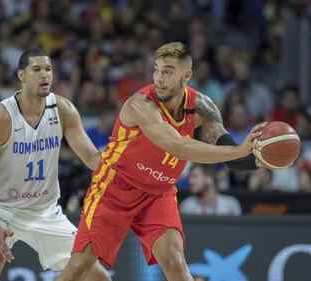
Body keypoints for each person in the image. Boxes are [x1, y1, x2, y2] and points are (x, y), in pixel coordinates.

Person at [56, 42, 266, 281]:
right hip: (115, 187)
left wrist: (259, 155)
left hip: (158, 193)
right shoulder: (141, 104)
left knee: (177, 264)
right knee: (79, 268)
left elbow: (229, 152)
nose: (159, 78)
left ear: (186, 75)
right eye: (156, 70)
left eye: (167, 71)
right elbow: (178, 146)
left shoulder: (203, 107)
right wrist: (238, 151)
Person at [0, 49, 110, 281]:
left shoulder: (63, 110)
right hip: (2, 208)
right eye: (37, 69)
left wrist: (119, 160)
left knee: (98, 277)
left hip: (45, 210)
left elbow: (92, 159)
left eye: (49, 69)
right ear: (21, 75)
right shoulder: (1, 117)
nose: (45, 75)